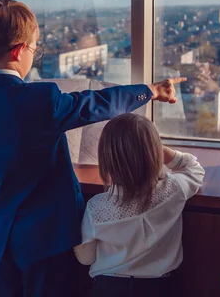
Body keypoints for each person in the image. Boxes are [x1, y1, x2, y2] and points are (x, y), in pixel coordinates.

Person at [0, 0, 185, 297]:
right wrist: (151, 90)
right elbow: (97, 104)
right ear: (19, 50)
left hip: (3, 234)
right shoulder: (40, 98)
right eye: (35, 49)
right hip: (50, 237)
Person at [74, 113, 204, 296]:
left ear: (107, 158)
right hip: (160, 288)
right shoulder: (174, 189)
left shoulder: (97, 207)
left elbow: (85, 258)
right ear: (155, 151)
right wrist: (158, 148)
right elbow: (193, 168)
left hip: (109, 289)